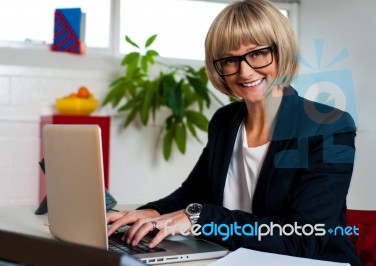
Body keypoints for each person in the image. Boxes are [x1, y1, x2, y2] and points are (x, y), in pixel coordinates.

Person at [107, 0, 362, 265]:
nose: (245, 70)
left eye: (258, 54)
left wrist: (201, 217)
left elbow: (303, 238)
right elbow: (192, 193)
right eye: (230, 60)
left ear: (281, 51)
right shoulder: (225, 121)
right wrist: (151, 212)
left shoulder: (328, 126)